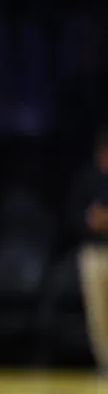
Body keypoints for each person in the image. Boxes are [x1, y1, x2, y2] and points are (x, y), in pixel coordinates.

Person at [72, 126, 108, 376]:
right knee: (98, 313)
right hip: (93, 253)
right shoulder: (86, 180)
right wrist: (91, 220)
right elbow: (73, 216)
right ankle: (106, 363)